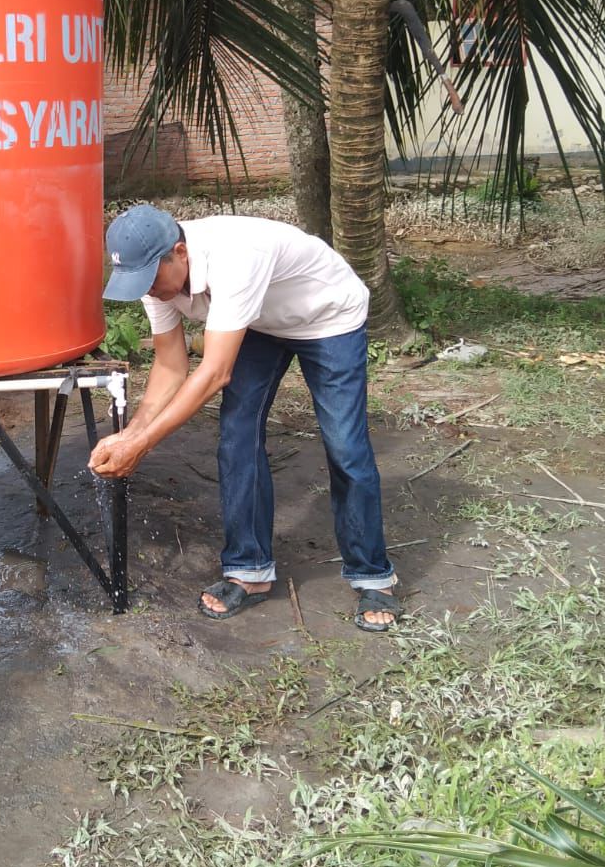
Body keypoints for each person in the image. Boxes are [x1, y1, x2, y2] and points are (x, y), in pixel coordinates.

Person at [89, 205, 399, 632]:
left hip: (327, 317)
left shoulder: (236, 255)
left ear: (179, 252)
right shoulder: (154, 275)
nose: (151, 292)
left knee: (345, 444)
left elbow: (214, 372)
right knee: (237, 434)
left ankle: (372, 574)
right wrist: (131, 434)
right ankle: (249, 569)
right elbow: (171, 367)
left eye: (152, 281)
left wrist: (142, 446)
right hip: (260, 321)